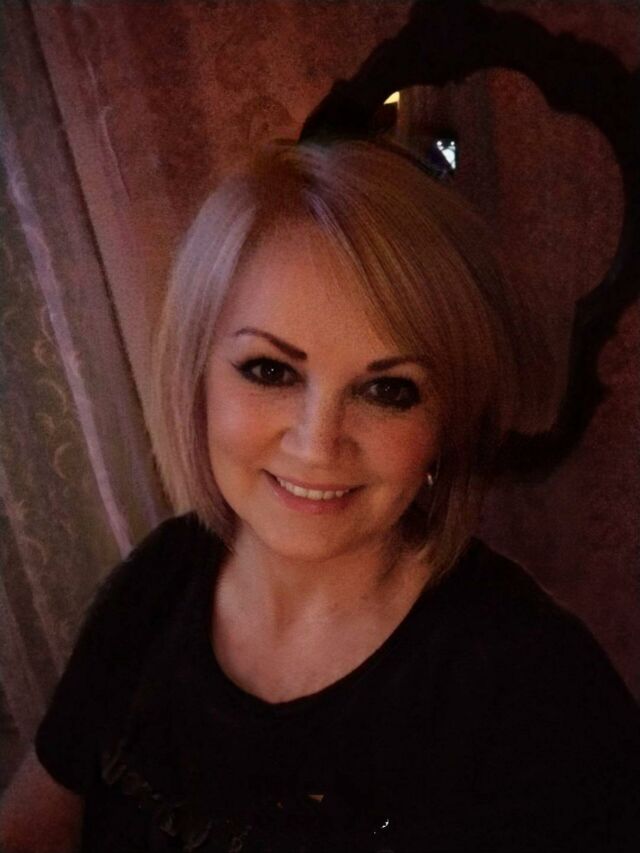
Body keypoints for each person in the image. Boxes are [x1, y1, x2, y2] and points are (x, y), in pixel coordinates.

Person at [1, 138, 639, 852]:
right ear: (196, 376)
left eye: (388, 390)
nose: (317, 444)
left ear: (447, 423)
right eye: (270, 370)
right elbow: (38, 816)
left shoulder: (537, 687)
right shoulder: (162, 576)